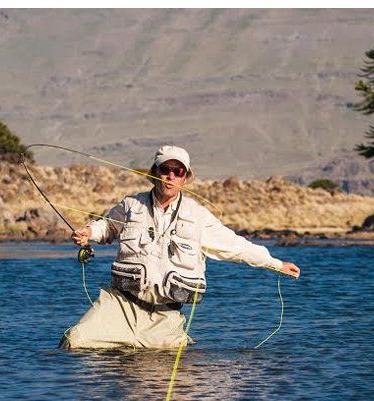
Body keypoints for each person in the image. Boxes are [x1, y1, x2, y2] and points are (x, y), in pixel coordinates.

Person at [61, 145, 300, 350]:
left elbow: (236, 247)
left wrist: (276, 264)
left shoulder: (197, 216)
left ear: (185, 178)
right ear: (154, 173)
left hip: (165, 316)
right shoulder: (131, 205)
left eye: (178, 172)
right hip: (120, 306)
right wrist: (89, 233)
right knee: (74, 340)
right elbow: (107, 227)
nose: (171, 176)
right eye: (165, 170)